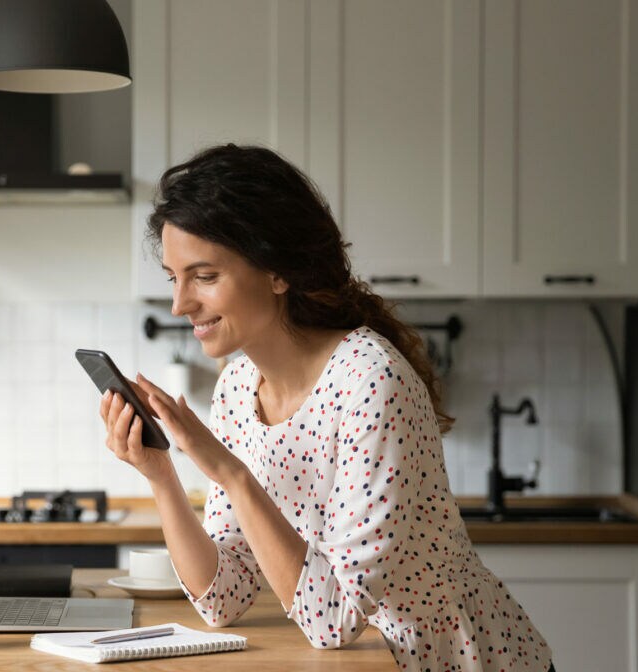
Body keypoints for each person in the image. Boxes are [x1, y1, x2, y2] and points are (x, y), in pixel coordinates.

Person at [98, 144, 554, 671]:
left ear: (277, 272)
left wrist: (227, 469)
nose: (180, 304)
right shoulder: (237, 386)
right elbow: (222, 599)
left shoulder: (370, 381)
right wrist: (162, 476)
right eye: (173, 278)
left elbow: (333, 619)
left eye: (204, 276)